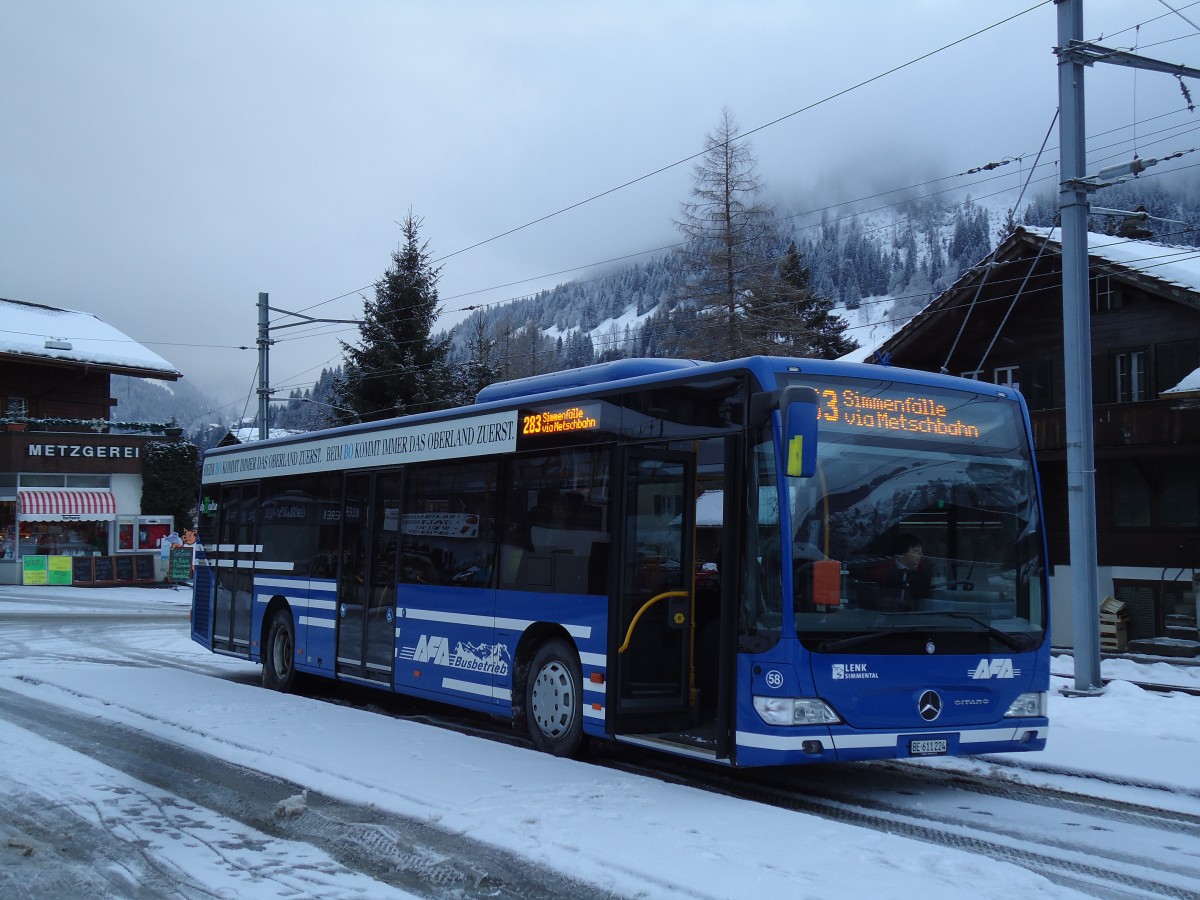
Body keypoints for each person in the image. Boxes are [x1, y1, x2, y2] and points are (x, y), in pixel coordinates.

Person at [867, 532, 931, 612]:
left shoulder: (922, 571)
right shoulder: (881, 571)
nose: (921, 555)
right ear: (902, 553)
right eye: (916, 550)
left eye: (921, 551)